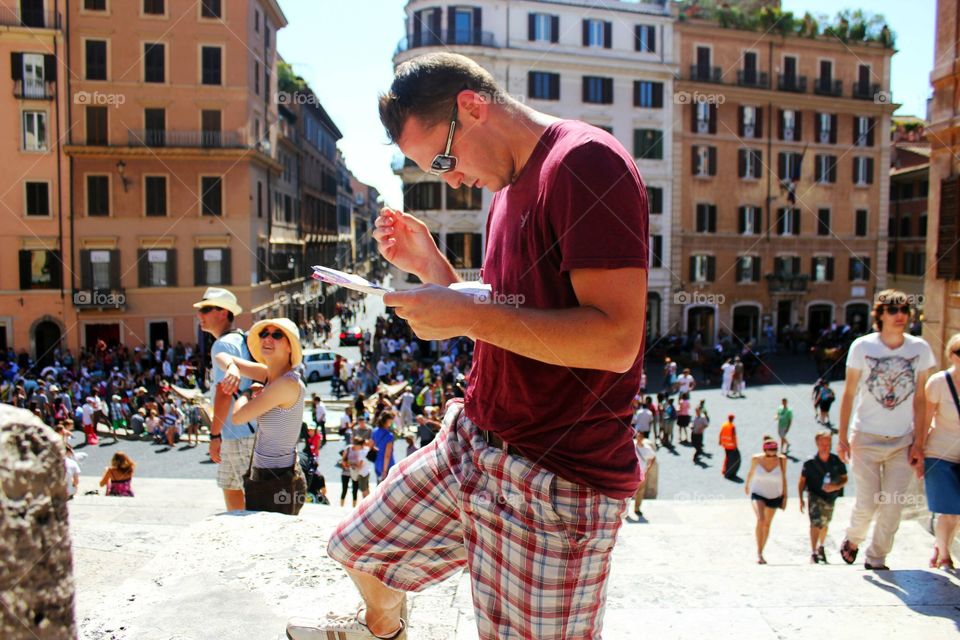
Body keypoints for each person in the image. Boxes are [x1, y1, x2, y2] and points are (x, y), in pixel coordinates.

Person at [287, 52, 648, 640]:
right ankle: (383, 627)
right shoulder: (504, 185)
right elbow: (516, 304)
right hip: (472, 444)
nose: (450, 179)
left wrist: (467, 314)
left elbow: (614, 340)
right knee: (357, 548)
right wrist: (433, 270)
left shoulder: (585, 163)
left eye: (445, 161)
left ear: (472, 107)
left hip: (555, 479)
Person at [838, 290, 935, 570]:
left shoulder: (920, 349)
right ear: (880, 315)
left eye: (904, 309)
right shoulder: (862, 347)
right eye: (893, 310)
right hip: (865, 438)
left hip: (902, 441)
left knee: (893, 507)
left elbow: (920, 399)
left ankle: (876, 558)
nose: (900, 315)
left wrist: (920, 442)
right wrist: (842, 437)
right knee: (868, 502)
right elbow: (848, 394)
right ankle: (853, 538)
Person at [216, 318, 307, 515]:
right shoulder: (270, 375)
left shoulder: (286, 384)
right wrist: (232, 367)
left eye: (276, 335)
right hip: (273, 475)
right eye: (264, 334)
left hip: (276, 481)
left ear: (290, 347)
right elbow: (220, 356)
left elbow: (238, 417)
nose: (268, 338)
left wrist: (246, 394)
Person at [195, 287, 257, 512]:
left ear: (223, 312)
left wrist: (214, 435)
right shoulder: (239, 339)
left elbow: (224, 392)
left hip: (239, 434)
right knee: (232, 490)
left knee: (246, 499)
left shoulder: (222, 345)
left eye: (206, 309)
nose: (200, 315)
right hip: (243, 432)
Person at [918, 334, 960, 570]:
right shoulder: (937, 383)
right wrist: (919, 450)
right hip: (940, 454)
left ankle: (940, 546)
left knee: (957, 514)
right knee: (948, 511)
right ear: (952, 355)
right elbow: (926, 419)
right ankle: (945, 556)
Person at [798, 431, 848, 564]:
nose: (825, 446)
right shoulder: (810, 463)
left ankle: (821, 546)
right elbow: (802, 481)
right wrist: (800, 498)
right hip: (814, 495)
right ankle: (813, 551)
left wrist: (835, 487)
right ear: (817, 444)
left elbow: (844, 478)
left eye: (828, 443)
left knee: (825, 523)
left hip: (830, 497)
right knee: (815, 522)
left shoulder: (836, 461)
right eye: (822, 443)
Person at [745, 436, 787, 564]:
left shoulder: (782, 460)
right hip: (758, 493)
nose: (772, 452)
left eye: (774, 449)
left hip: (774, 494)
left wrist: (785, 496)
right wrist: (747, 485)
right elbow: (751, 472)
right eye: (770, 450)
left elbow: (784, 477)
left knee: (767, 523)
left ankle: (762, 551)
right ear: (765, 450)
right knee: (761, 519)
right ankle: (758, 552)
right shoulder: (756, 459)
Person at [633, 432, 656, 518]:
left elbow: (653, 457)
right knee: (628, 491)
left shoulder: (647, 448)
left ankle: (637, 508)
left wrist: (649, 467)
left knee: (640, 491)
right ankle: (627, 508)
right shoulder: (632, 445)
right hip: (632, 472)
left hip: (642, 472)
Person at [372, 412, 396, 483]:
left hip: (377, 462)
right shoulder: (389, 435)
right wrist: (385, 471)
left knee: (379, 485)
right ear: (387, 421)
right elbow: (387, 455)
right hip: (387, 465)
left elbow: (371, 445)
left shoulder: (375, 431)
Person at [719, 414, 741, 480]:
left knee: (727, 458)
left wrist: (720, 441)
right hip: (731, 446)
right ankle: (729, 472)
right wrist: (735, 445)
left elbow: (721, 433)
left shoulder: (724, 425)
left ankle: (724, 470)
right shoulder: (732, 426)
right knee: (734, 459)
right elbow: (733, 436)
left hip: (725, 444)